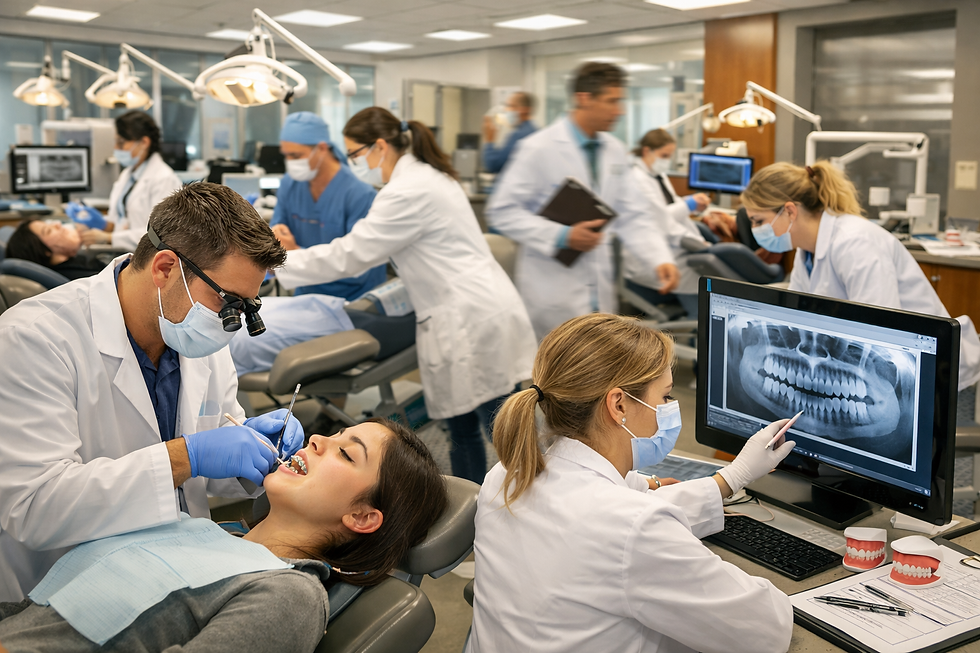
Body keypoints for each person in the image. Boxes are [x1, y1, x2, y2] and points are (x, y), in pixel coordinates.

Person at [0, 183, 304, 602]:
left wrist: (254, 451)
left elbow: (215, 450)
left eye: (247, 306)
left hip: (169, 570)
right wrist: (186, 455)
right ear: (164, 268)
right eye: (227, 301)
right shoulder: (33, 339)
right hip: (62, 590)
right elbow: (34, 509)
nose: (230, 321)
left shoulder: (199, 339)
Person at [466, 313, 795, 653]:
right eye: (665, 396)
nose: (669, 407)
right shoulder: (632, 527)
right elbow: (765, 632)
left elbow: (606, 516)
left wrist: (730, 478)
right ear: (618, 404)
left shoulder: (506, 476)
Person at [0, 419, 450, 652]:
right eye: (333, 434)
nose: (316, 438)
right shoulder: (201, 531)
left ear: (363, 517)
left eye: (346, 454)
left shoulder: (288, 596)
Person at [274, 107, 537, 486]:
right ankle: (480, 509)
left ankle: (518, 506)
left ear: (380, 146)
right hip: (473, 311)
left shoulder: (407, 191)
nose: (354, 164)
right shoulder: (427, 177)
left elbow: (351, 254)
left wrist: (279, 261)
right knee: (473, 428)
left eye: (354, 154)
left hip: (468, 320)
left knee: (502, 433)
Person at [741, 161, 980, 392]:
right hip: (876, 366)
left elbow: (880, 333)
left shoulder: (855, 242)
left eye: (758, 221)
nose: (755, 230)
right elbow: (801, 319)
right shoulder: (806, 251)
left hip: (927, 369)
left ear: (790, 211)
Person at [487, 62, 679, 340]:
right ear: (584, 98)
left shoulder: (614, 150)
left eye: (620, 100)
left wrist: (659, 257)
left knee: (599, 373)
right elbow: (501, 212)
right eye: (612, 101)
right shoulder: (538, 148)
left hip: (598, 291)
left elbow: (633, 214)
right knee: (558, 377)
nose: (620, 110)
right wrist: (562, 235)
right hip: (553, 291)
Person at [269, 112, 385, 300]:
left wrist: (296, 254)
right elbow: (273, 238)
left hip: (353, 299)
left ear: (322, 148)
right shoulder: (290, 185)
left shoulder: (359, 194)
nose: (290, 162)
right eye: (286, 156)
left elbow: (359, 265)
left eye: (296, 155)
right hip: (306, 294)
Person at [626, 128, 712, 319]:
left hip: (668, 243)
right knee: (696, 272)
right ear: (647, 151)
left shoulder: (657, 175)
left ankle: (698, 321)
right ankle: (696, 325)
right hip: (647, 256)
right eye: (664, 155)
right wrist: (688, 205)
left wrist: (689, 203)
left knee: (704, 264)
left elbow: (667, 207)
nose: (667, 160)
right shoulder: (636, 179)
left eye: (669, 156)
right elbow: (660, 219)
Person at [68, 111, 183, 250]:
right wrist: (97, 224)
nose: (116, 148)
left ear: (144, 142)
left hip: (146, 258)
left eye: (121, 143)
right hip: (123, 252)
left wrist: (109, 238)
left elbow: (161, 235)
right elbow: (120, 220)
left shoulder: (164, 180)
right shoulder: (128, 175)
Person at [4, 218, 104, 280]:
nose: (58, 224)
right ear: (45, 251)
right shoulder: (82, 279)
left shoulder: (77, 263)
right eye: (48, 230)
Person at [481, 92, 537, 174]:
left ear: (524, 109)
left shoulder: (519, 135)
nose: (505, 110)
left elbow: (493, 165)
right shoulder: (534, 130)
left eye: (510, 106)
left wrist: (489, 140)